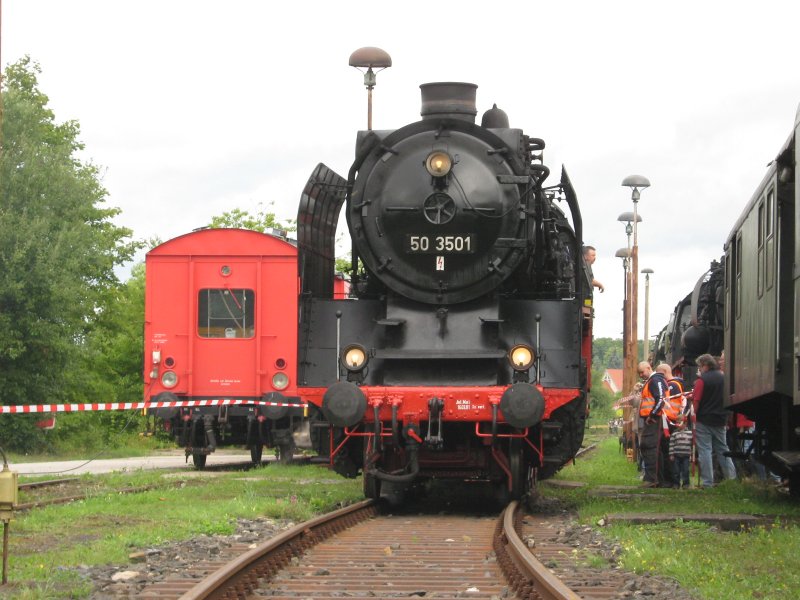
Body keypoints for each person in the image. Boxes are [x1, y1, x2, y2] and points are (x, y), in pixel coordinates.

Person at [692, 353, 736, 487]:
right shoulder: (724, 378)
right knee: (723, 449)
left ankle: (707, 482)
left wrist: (693, 415)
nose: (699, 369)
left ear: (705, 365)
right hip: (721, 419)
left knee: (705, 450)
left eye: (700, 366)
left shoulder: (702, 380)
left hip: (703, 420)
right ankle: (732, 480)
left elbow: (696, 400)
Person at [637, 361, 669, 487]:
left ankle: (651, 479)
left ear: (649, 368)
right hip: (652, 418)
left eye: (642, 372)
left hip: (654, 419)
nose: (641, 375)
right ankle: (657, 479)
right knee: (654, 448)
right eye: (639, 373)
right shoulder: (653, 381)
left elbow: (660, 398)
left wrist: (653, 415)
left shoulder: (655, 380)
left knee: (649, 446)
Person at [669, 415, 693, 488]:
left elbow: (692, 445)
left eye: (680, 422)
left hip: (686, 455)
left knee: (686, 470)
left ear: (685, 423)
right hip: (676, 455)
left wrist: (692, 454)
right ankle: (676, 484)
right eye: (677, 422)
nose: (678, 424)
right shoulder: (674, 434)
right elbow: (671, 444)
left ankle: (686, 484)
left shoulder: (690, 433)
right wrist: (671, 454)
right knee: (676, 471)